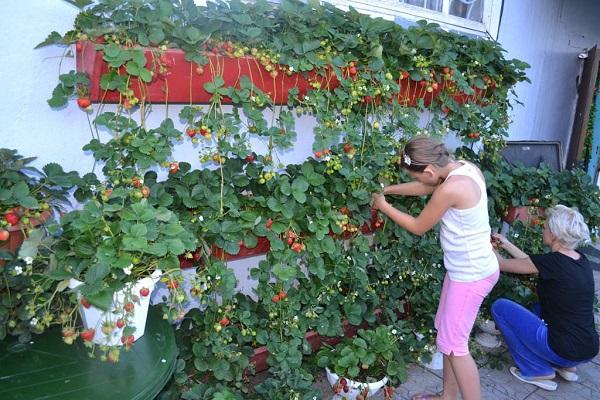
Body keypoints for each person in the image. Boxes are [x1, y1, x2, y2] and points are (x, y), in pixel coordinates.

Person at [372, 136, 499, 400]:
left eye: (417, 176)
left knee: (456, 345)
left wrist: (383, 207)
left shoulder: (450, 189)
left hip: (471, 275)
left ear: (429, 171)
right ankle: (447, 397)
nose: (419, 182)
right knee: (447, 334)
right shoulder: (462, 168)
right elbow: (425, 188)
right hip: (465, 271)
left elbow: (419, 227)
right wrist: (389, 190)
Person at [491, 205, 599, 391]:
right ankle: (566, 366)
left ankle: (536, 369)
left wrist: (486, 244)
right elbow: (531, 263)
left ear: (555, 235)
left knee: (500, 307)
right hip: (588, 348)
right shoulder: (580, 260)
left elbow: (501, 264)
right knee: (540, 307)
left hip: (564, 347)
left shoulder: (552, 262)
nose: (543, 229)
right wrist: (506, 243)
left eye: (546, 226)